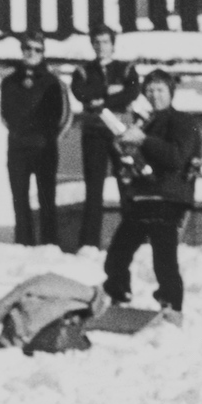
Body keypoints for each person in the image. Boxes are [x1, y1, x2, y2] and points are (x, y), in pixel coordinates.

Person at [103, 68, 200, 321]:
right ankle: (119, 297)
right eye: (150, 90)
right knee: (116, 256)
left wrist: (144, 140)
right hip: (142, 197)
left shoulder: (182, 121)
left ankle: (172, 307)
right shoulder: (144, 122)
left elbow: (177, 157)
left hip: (169, 198)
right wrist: (123, 151)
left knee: (163, 257)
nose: (154, 95)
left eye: (160, 90)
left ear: (171, 92)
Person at [68, 26, 139, 251]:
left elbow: (132, 91)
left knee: (128, 186)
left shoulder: (126, 68)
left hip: (121, 135)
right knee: (94, 189)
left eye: (105, 42)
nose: (101, 46)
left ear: (113, 44)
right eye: (97, 42)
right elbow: (79, 92)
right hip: (94, 134)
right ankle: (89, 244)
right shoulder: (83, 70)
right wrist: (111, 92)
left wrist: (103, 99)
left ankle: (134, 241)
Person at [1, 34, 67, 246]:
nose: (32, 53)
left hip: (44, 147)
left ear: (43, 53)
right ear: (22, 50)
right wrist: (21, 130)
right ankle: (24, 243)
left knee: (47, 198)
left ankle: (49, 244)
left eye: (37, 49)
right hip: (18, 147)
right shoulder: (9, 81)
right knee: (19, 199)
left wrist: (45, 135)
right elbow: (5, 114)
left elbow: (61, 116)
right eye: (28, 48)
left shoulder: (53, 82)